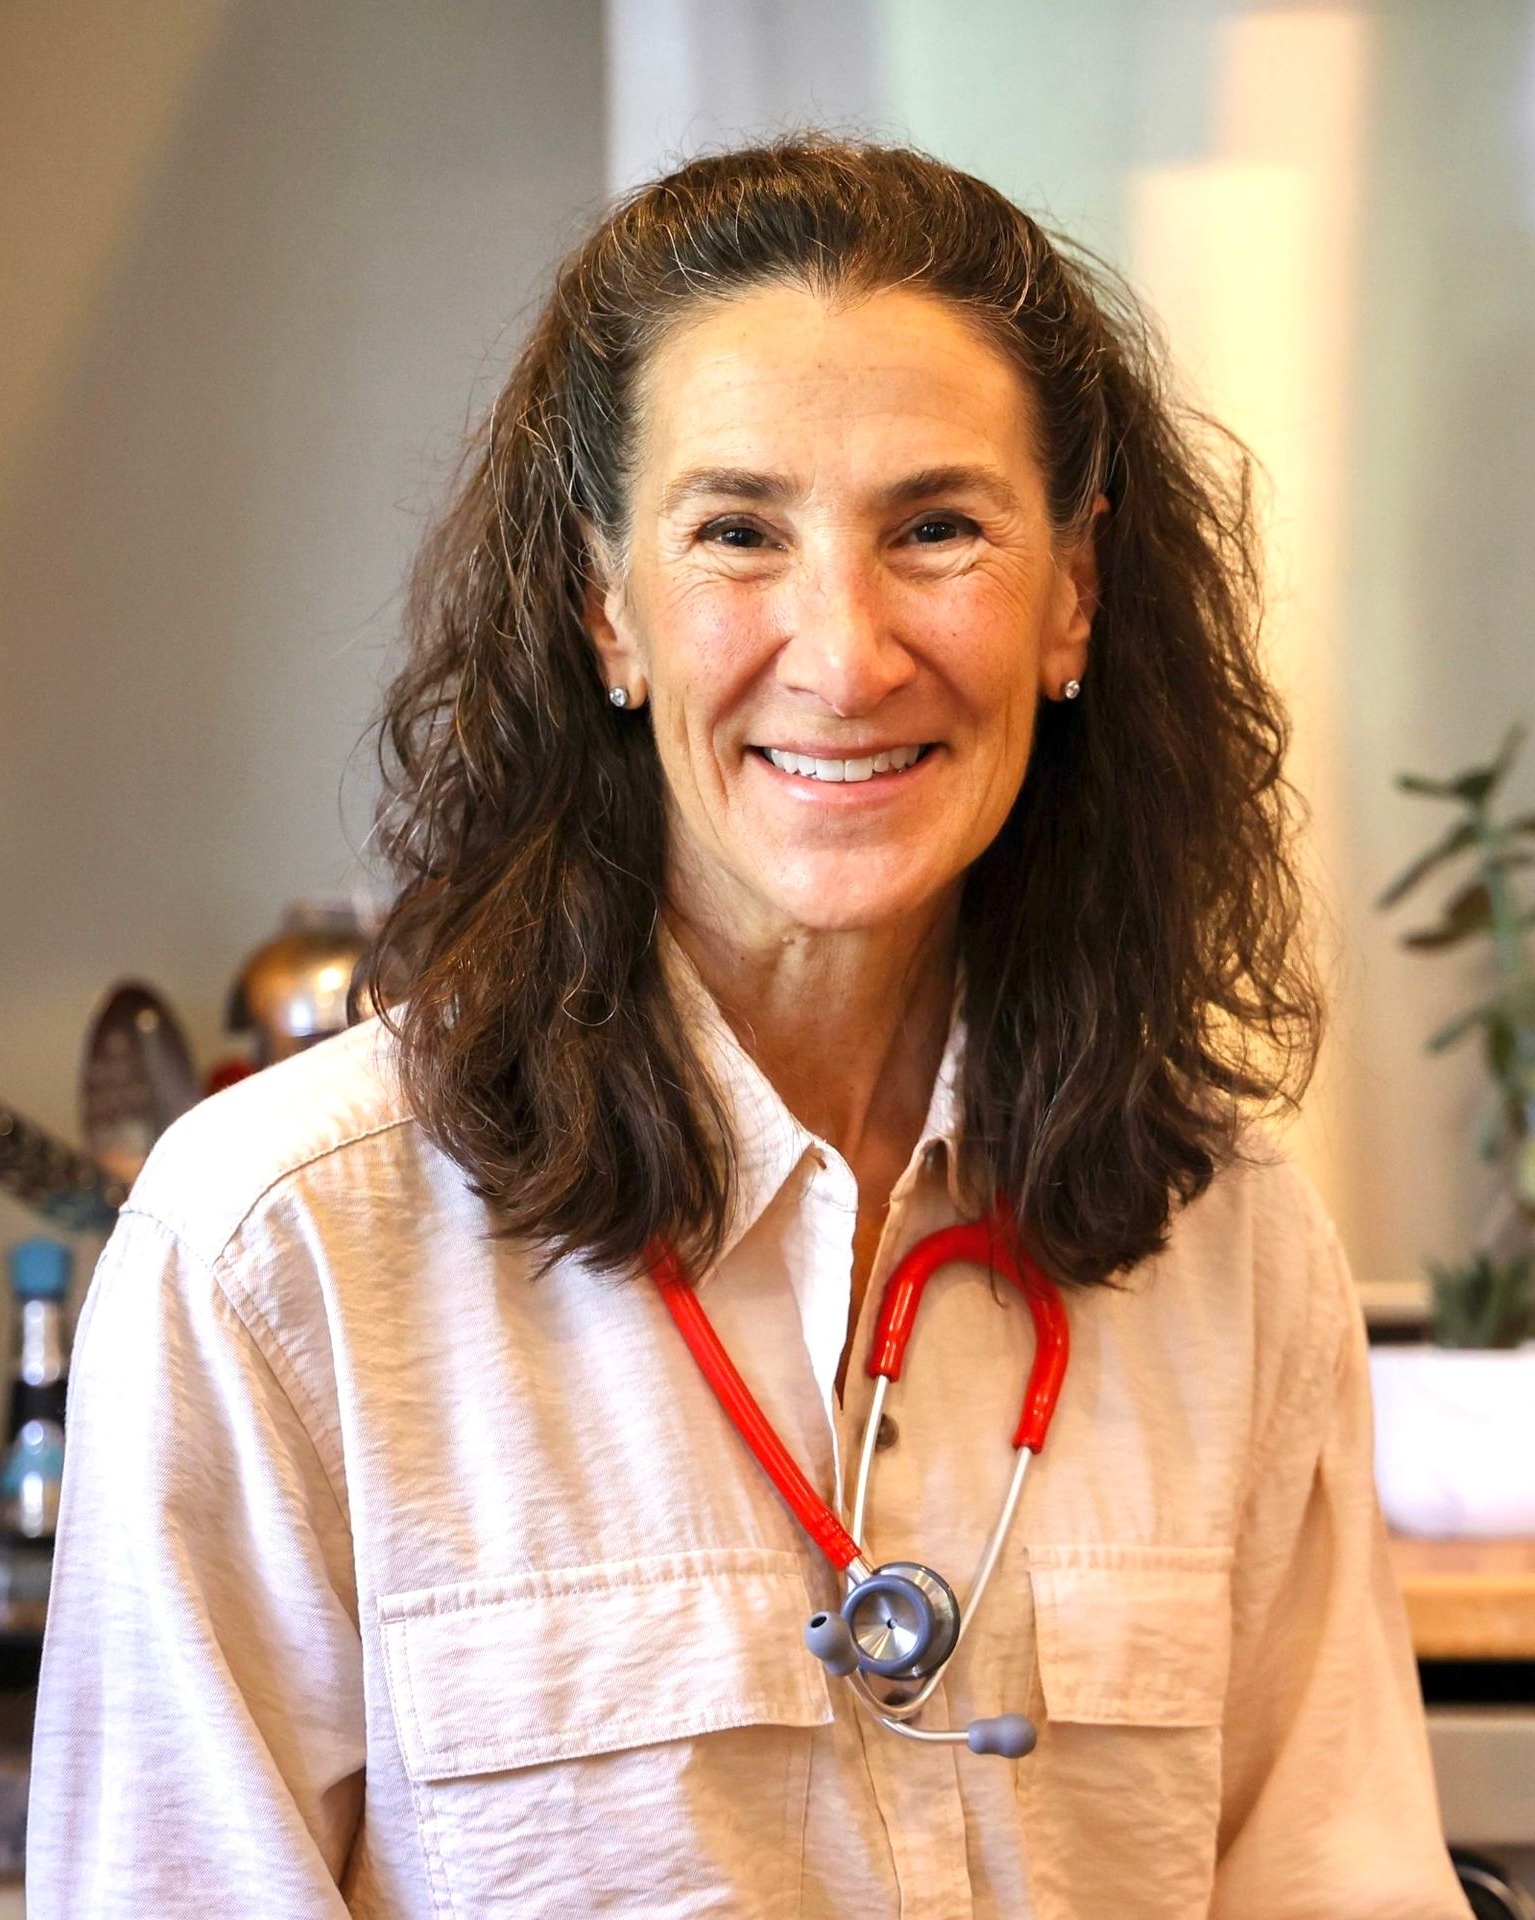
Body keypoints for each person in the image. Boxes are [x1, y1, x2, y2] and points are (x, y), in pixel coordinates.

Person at [28, 136, 1470, 1918]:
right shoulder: (273, 1257)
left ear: (1073, 596)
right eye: (736, 533)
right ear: (605, 607)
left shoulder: (1232, 1248)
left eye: (936, 530)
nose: (843, 653)